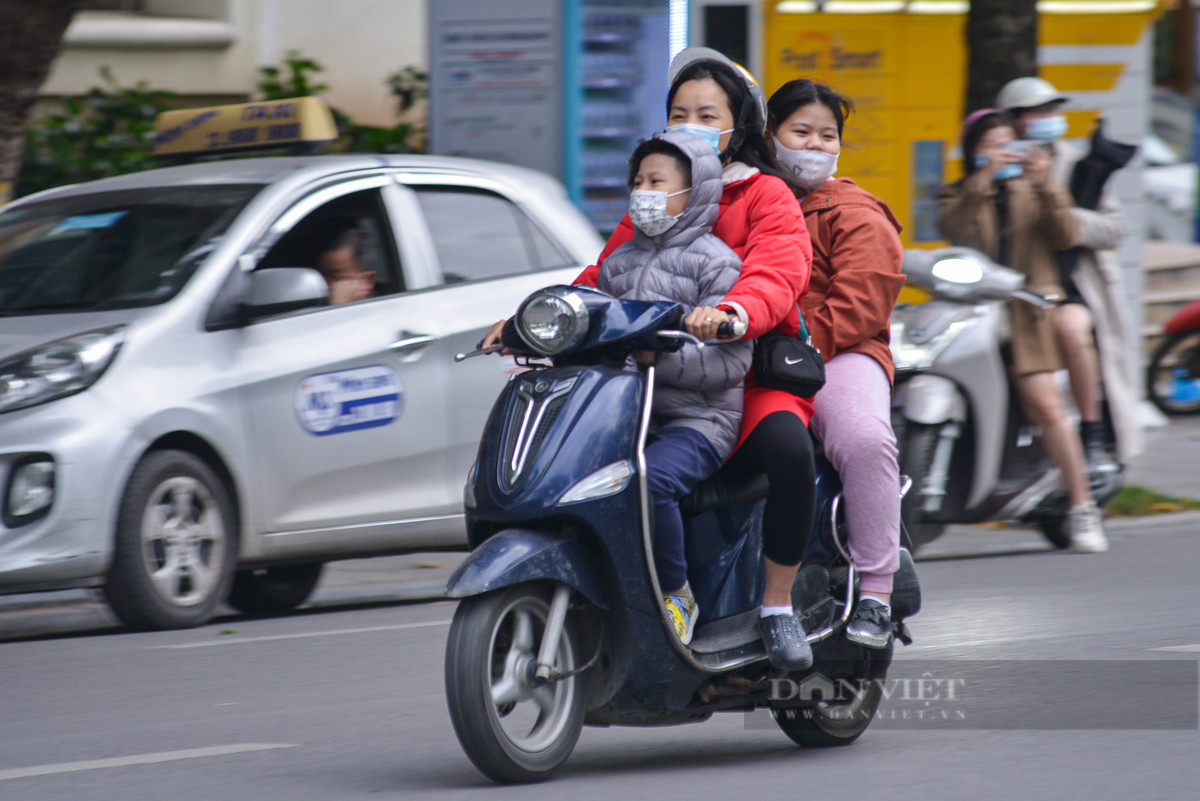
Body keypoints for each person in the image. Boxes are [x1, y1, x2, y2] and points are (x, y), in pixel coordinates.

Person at [485, 47, 816, 670]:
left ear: (738, 125)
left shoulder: (764, 194)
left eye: (706, 113)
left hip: (743, 360)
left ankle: (776, 606)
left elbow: (778, 271)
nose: (689, 123)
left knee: (788, 451)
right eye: (678, 112)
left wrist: (732, 313)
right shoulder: (658, 192)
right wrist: (533, 320)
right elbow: (601, 279)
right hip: (656, 377)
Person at [595, 130, 751, 645]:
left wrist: (658, 354)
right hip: (628, 415)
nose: (643, 191)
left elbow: (730, 364)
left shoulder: (718, 263)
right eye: (637, 181)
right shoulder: (616, 264)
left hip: (699, 421)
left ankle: (675, 592)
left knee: (647, 481)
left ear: (693, 192)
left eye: (656, 181)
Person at [766, 79, 907, 647]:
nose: (815, 146)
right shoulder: (742, 200)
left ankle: (875, 591)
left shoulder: (855, 212)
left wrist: (792, 351)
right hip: (750, 355)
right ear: (769, 135)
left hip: (838, 354)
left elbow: (861, 304)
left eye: (828, 136)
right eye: (801, 132)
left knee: (864, 438)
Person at [937, 110, 1108, 553]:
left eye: (1009, 144)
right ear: (975, 151)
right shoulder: (957, 193)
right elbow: (952, 230)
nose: (1002, 154)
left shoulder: (1036, 191)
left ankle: (1082, 506)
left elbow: (1068, 235)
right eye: (991, 145)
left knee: (1045, 405)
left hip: (1026, 313)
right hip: (976, 312)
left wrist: (1046, 181)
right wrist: (982, 181)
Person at [996, 77, 1142, 481]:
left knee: (1073, 330)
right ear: (1013, 120)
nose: (1046, 120)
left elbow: (1113, 229)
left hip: (1069, 284)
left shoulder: (1080, 165)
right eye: (1036, 113)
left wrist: (1055, 205)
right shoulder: (995, 162)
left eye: (1051, 111)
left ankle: (1092, 434)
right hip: (1008, 286)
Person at [312, 217, 377, 305]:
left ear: (367, 280)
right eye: (322, 275)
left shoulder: (388, 315)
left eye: (335, 276)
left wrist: (337, 305)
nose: (325, 285)